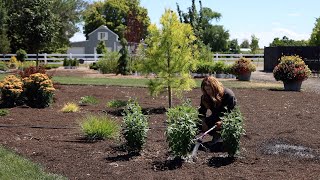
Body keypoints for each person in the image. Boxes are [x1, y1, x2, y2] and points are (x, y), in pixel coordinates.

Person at [198, 76, 237, 145]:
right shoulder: (206, 96)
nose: (207, 92)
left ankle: (222, 138)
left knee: (220, 143)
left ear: (215, 87)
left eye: (209, 89)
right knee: (197, 123)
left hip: (228, 120)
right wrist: (203, 123)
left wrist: (222, 122)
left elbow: (232, 113)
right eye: (205, 90)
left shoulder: (228, 95)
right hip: (215, 119)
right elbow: (201, 112)